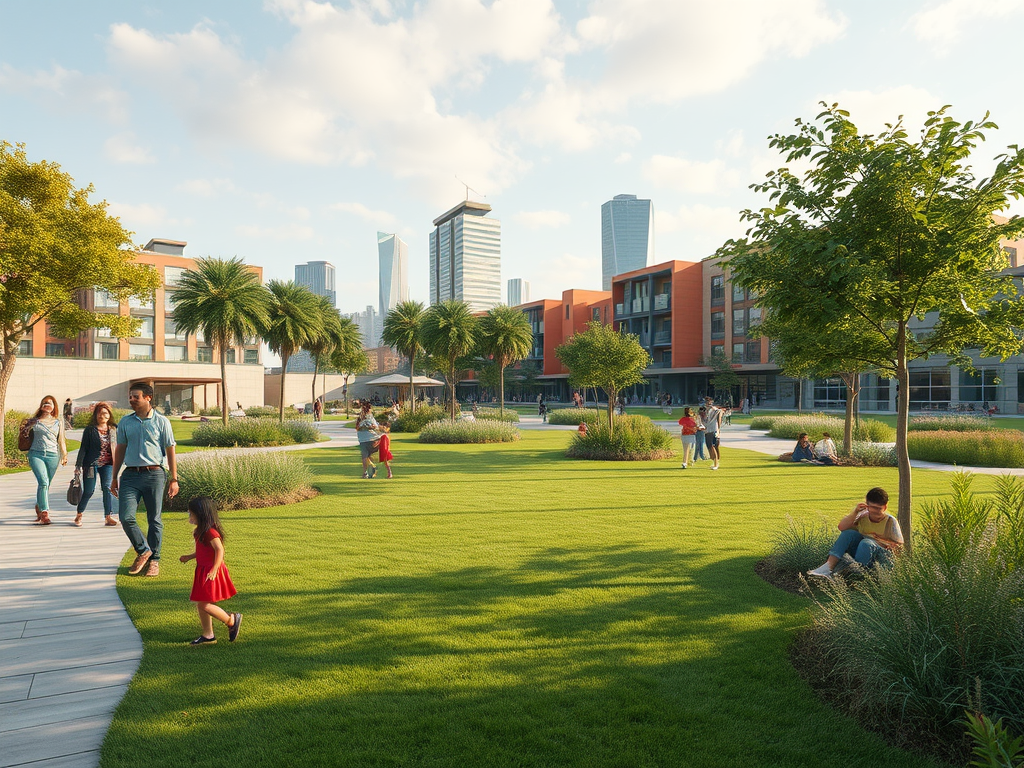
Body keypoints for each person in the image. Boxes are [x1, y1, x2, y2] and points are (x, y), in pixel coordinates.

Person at [111, 382, 178, 578]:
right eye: (130, 396)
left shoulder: (161, 422)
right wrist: (114, 477)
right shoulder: (125, 422)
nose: (131, 400)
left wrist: (174, 478)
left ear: (148, 397)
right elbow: (120, 449)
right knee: (126, 517)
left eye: (135, 396)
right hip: (130, 475)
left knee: (154, 519)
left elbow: (170, 449)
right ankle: (143, 550)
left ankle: (154, 561)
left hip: (154, 474)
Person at [179, 496, 241, 645]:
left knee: (203, 605)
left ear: (200, 514)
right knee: (201, 603)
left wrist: (214, 569)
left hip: (211, 571)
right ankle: (208, 635)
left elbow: (219, 550)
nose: (189, 515)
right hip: (202, 570)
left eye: (191, 513)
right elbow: (203, 551)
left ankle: (231, 620)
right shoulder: (199, 531)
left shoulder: (210, 532)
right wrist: (190, 556)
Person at [808, 487, 903, 580]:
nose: (875, 512)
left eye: (878, 509)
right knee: (848, 534)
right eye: (872, 508)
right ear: (867, 505)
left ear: (885, 507)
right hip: (861, 552)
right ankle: (828, 567)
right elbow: (842, 527)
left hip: (878, 556)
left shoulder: (891, 521)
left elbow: (898, 547)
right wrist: (855, 512)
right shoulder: (863, 516)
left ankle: (856, 574)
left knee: (866, 543)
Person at [22, 395, 68, 525]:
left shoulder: (58, 422)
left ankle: (39, 505)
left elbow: (61, 440)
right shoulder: (34, 421)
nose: (47, 404)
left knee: (46, 484)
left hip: (53, 455)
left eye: (50, 403)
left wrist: (64, 455)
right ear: (41, 406)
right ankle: (44, 513)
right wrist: (25, 429)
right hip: (36, 454)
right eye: (45, 403)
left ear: (54, 407)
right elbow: (24, 435)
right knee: (43, 481)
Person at [74, 402, 119, 527]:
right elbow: (83, 448)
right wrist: (78, 466)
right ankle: (79, 514)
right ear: (96, 415)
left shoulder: (114, 429)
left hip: (108, 465)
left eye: (105, 413)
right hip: (91, 465)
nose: (102, 415)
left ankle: (108, 516)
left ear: (109, 415)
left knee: (107, 488)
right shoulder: (90, 430)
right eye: (99, 413)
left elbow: (118, 447)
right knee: (89, 491)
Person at [356, 401, 387, 478]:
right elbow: (375, 426)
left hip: (364, 439)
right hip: (372, 439)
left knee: (364, 456)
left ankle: (365, 473)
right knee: (367, 456)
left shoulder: (360, 418)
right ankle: (373, 467)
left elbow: (357, 427)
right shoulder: (370, 417)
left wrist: (365, 427)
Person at [703, 397, 724, 470]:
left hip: (713, 429)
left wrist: (718, 429)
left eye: (709, 403)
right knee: (711, 446)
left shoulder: (715, 411)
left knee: (712, 446)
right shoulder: (706, 410)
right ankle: (715, 462)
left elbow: (719, 420)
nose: (708, 404)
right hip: (708, 430)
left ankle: (716, 464)